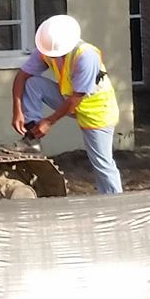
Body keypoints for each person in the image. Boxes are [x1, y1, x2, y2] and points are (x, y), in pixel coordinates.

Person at [12, 14, 122, 194]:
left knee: (102, 162)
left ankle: (116, 203)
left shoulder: (87, 56)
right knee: (33, 84)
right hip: (69, 99)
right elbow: (22, 76)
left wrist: (48, 121)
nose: (51, 55)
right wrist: (17, 110)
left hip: (97, 110)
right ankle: (32, 141)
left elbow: (76, 99)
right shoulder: (47, 48)